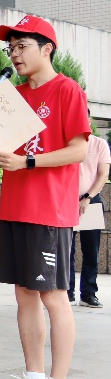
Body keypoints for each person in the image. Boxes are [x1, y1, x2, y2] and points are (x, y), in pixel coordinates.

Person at [0, 15, 89, 379]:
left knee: (53, 295)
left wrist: (27, 161)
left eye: (21, 46)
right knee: (24, 293)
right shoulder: (13, 95)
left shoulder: (67, 90)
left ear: (47, 48)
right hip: (15, 205)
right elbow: (2, 151)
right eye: (10, 48)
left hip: (49, 208)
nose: (14, 54)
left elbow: (79, 149)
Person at [70, 113, 108, 307]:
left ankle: (88, 293)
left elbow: (103, 175)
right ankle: (66, 292)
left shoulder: (99, 144)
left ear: (89, 120)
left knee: (91, 251)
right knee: (66, 250)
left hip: (90, 202)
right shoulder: (66, 143)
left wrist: (88, 197)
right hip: (65, 202)